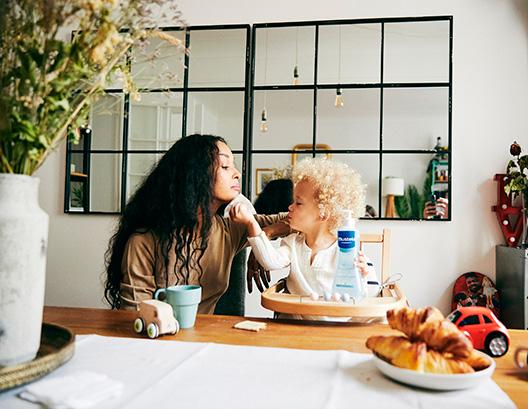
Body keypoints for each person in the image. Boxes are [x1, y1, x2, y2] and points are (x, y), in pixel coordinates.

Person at [104, 134, 288, 313]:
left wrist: (263, 237)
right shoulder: (143, 242)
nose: (237, 173)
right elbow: (135, 314)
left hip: (207, 339)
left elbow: (300, 219)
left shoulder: (229, 230)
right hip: (158, 340)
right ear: (196, 175)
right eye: (225, 166)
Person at [230, 157, 377, 320]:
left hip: (336, 328)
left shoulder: (345, 249)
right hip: (295, 328)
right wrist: (251, 223)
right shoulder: (292, 243)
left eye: (298, 203)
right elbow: (269, 261)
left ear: (323, 213)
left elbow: (372, 292)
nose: (289, 207)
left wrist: (363, 274)